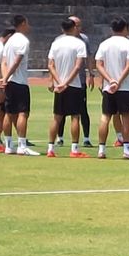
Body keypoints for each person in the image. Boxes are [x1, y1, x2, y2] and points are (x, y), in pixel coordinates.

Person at [95, 16, 129, 160]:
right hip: (124, 87)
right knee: (126, 117)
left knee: (105, 117)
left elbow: (99, 65)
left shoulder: (104, 44)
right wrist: (118, 81)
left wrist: (110, 80)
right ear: (125, 28)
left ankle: (101, 150)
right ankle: (126, 151)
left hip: (109, 87)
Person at [46, 18, 89, 158]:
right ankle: (74, 149)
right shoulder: (79, 43)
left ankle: (50, 148)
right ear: (73, 28)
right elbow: (78, 66)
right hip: (74, 84)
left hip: (60, 85)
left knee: (57, 117)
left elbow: (50, 65)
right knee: (75, 117)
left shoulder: (56, 43)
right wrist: (67, 82)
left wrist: (59, 82)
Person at [0, 14, 39, 156]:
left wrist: (4, 78)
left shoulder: (9, 41)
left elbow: (4, 61)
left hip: (9, 82)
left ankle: (9, 145)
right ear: (22, 24)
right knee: (23, 113)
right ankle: (22, 145)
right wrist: (7, 77)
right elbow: (16, 62)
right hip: (19, 81)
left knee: (9, 114)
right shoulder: (23, 41)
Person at [56, 16, 95, 148]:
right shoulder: (59, 41)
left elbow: (88, 57)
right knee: (60, 112)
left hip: (80, 80)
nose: (78, 28)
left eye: (79, 25)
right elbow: (52, 62)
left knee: (81, 110)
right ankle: (59, 137)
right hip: (62, 80)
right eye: (76, 25)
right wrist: (53, 80)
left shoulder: (84, 40)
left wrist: (91, 73)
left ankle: (86, 138)